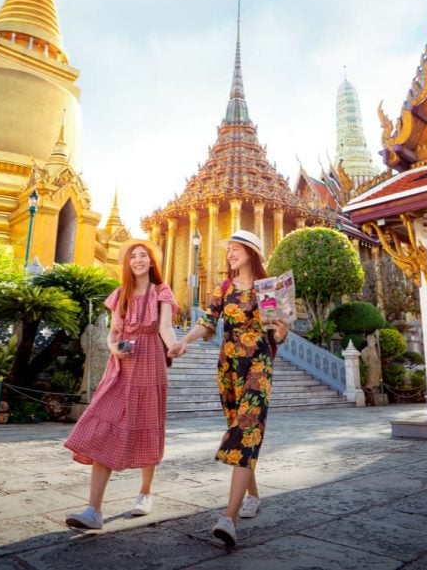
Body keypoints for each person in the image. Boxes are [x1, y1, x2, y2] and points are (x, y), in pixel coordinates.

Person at [170, 229, 288, 546]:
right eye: (229, 250)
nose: (231, 254)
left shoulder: (268, 289)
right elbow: (207, 322)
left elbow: (277, 334)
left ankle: (229, 518)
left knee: (247, 429)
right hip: (228, 368)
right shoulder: (223, 289)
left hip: (259, 366)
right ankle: (253, 496)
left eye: (236, 249)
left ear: (252, 252)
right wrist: (184, 341)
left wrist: (280, 329)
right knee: (239, 429)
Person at [64, 239, 179, 530]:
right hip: (121, 367)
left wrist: (176, 346)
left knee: (147, 424)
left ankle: (145, 493)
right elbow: (113, 333)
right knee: (103, 425)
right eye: (133, 257)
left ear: (152, 262)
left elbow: (165, 327)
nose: (138, 260)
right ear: (127, 263)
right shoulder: (120, 295)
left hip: (150, 363)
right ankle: (93, 510)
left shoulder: (161, 292)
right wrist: (114, 348)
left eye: (144, 256)